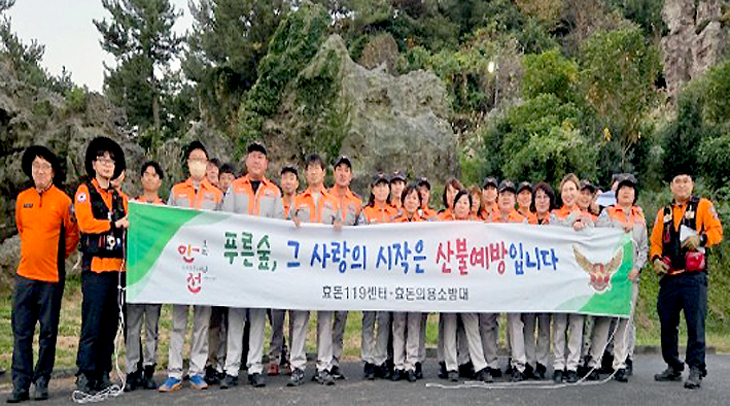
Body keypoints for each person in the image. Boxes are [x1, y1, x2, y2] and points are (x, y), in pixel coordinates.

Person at [8, 146, 79, 403]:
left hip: (51, 277)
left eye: (45, 167)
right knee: (21, 331)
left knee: (48, 332)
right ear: (31, 170)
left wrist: (57, 256)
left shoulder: (63, 201)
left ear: (53, 172)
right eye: (36, 166)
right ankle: (20, 383)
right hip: (25, 276)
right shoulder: (22, 199)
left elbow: (72, 235)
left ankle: (42, 380)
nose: (40, 171)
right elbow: (22, 229)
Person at [159, 141, 224, 392]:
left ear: (207, 165)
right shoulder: (177, 191)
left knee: (202, 322)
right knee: (178, 322)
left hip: (205, 266)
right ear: (188, 163)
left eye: (202, 160)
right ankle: (174, 373)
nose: (198, 163)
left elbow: (223, 228)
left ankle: (196, 371)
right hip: (181, 265)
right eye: (194, 159)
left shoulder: (216, 195)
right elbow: (167, 225)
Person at [650, 166, 722, 389]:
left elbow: (717, 231)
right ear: (671, 187)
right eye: (677, 181)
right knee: (667, 322)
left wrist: (701, 239)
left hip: (694, 277)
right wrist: (655, 260)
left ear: (692, 185)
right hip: (670, 276)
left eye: (685, 181)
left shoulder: (703, 206)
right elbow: (655, 242)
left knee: (695, 323)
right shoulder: (664, 213)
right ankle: (673, 365)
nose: (681, 185)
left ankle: (696, 368)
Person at [220, 142, 284, 389]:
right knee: (236, 316)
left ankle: (255, 367)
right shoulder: (235, 188)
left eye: (261, 157)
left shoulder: (273, 192)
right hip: (238, 262)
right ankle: (232, 368)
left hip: (262, 264)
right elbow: (226, 222)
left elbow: (279, 226)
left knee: (257, 317)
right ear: (246, 161)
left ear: (266, 163)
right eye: (253, 156)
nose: (257, 161)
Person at [74, 137, 129, 394]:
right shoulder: (84, 191)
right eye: (102, 159)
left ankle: (103, 372)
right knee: (92, 324)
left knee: (110, 325)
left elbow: (132, 225)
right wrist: (113, 224)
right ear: (93, 164)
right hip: (95, 269)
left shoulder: (121, 198)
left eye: (111, 160)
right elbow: (85, 223)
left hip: (117, 270)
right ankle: (85, 374)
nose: (107, 164)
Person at [287, 154, 342, 386]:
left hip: (326, 269)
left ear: (323, 172)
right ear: (305, 173)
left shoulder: (334, 201)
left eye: (317, 168)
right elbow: (284, 230)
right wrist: (291, 223)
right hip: (302, 269)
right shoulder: (297, 201)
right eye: (309, 168)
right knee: (300, 319)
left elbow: (342, 230)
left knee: (325, 320)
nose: (313, 172)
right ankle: (297, 366)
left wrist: (339, 226)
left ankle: (324, 366)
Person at [588, 174, 648, 383]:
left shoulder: (640, 218)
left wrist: (637, 268)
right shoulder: (608, 214)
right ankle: (594, 361)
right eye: (623, 189)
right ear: (616, 193)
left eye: (630, 189)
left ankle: (619, 362)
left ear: (634, 194)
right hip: (610, 277)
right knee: (604, 319)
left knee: (624, 321)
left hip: (630, 279)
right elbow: (599, 241)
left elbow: (644, 248)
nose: (626, 192)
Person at [438, 190, 492, 383]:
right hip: (448, 283)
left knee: (472, 325)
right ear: (453, 206)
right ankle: (451, 366)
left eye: (465, 203)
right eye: (459, 202)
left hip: (469, 285)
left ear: (470, 208)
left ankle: (480, 365)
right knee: (449, 325)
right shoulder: (443, 226)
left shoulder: (477, 227)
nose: (462, 206)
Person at [124, 162, 165, 392]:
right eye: (146, 174)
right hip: (136, 275)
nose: (150, 178)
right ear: (141, 179)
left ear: (160, 181)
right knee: (132, 326)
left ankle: (149, 369)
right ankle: (132, 370)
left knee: (152, 327)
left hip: (156, 276)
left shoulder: (165, 209)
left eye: (154, 175)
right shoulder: (133, 206)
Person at [550, 173, 594, 384]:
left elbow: (594, 240)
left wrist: (582, 224)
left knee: (577, 323)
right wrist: (571, 223)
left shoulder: (588, 218)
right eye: (565, 190)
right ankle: (559, 364)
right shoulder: (554, 216)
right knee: (559, 324)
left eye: (572, 190)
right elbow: (554, 235)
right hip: (560, 277)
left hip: (580, 277)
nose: (568, 194)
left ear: (578, 193)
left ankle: (572, 365)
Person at [358, 173, 398, 380]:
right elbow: (359, 239)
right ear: (372, 190)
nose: (382, 190)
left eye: (385, 186)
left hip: (388, 275)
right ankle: (367, 360)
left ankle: (380, 359)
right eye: (378, 186)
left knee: (384, 319)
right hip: (369, 273)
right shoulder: (365, 213)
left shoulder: (395, 213)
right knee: (368, 318)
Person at [328, 156, 362, 380]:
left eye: (346, 170)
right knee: (323, 315)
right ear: (333, 173)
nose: (342, 173)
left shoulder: (357, 203)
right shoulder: (324, 197)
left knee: (341, 316)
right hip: (323, 264)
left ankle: (334, 360)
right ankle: (322, 360)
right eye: (339, 169)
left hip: (346, 267)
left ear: (351, 175)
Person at [493, 181, 531, 381]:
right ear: (497, 199)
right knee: (490, 321)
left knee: (515, 321)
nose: (506, 198)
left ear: (515, 199)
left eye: (510, 194)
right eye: (503, 194)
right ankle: (493, 362)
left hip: (515, 278)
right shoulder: (490, 222)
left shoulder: (522, 222)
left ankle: (519, 364)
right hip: (493, 278)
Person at [267, 165, 300, 376]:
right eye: (285, 178)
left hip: (297, 269)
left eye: (292, 178)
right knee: (276, 318)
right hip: (277, 268)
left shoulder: (303, 204)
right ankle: (274, 357)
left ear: (297, 182)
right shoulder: (274, 204)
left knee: (295, 318)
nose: (288, 181)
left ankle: (293, 358)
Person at [391, 185, 424, 382]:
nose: (411, 201)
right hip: (398, 279)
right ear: (402, 201)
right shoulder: (395, 223)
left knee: (413, 323)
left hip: (417, 280)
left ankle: (411, 363)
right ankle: (398, 364)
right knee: (399, 323)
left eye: (415, 198)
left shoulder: (426, 226)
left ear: (419, 202)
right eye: (408, 198)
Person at [524, 182, 556, 380]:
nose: (542, 201)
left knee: (544, 326)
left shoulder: (557, 223)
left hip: (548, 283)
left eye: (545, 197)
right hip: (529, 282)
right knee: (528, 325)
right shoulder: (525, 223)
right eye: (538, 197)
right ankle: (528, 362)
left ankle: (542, 363)